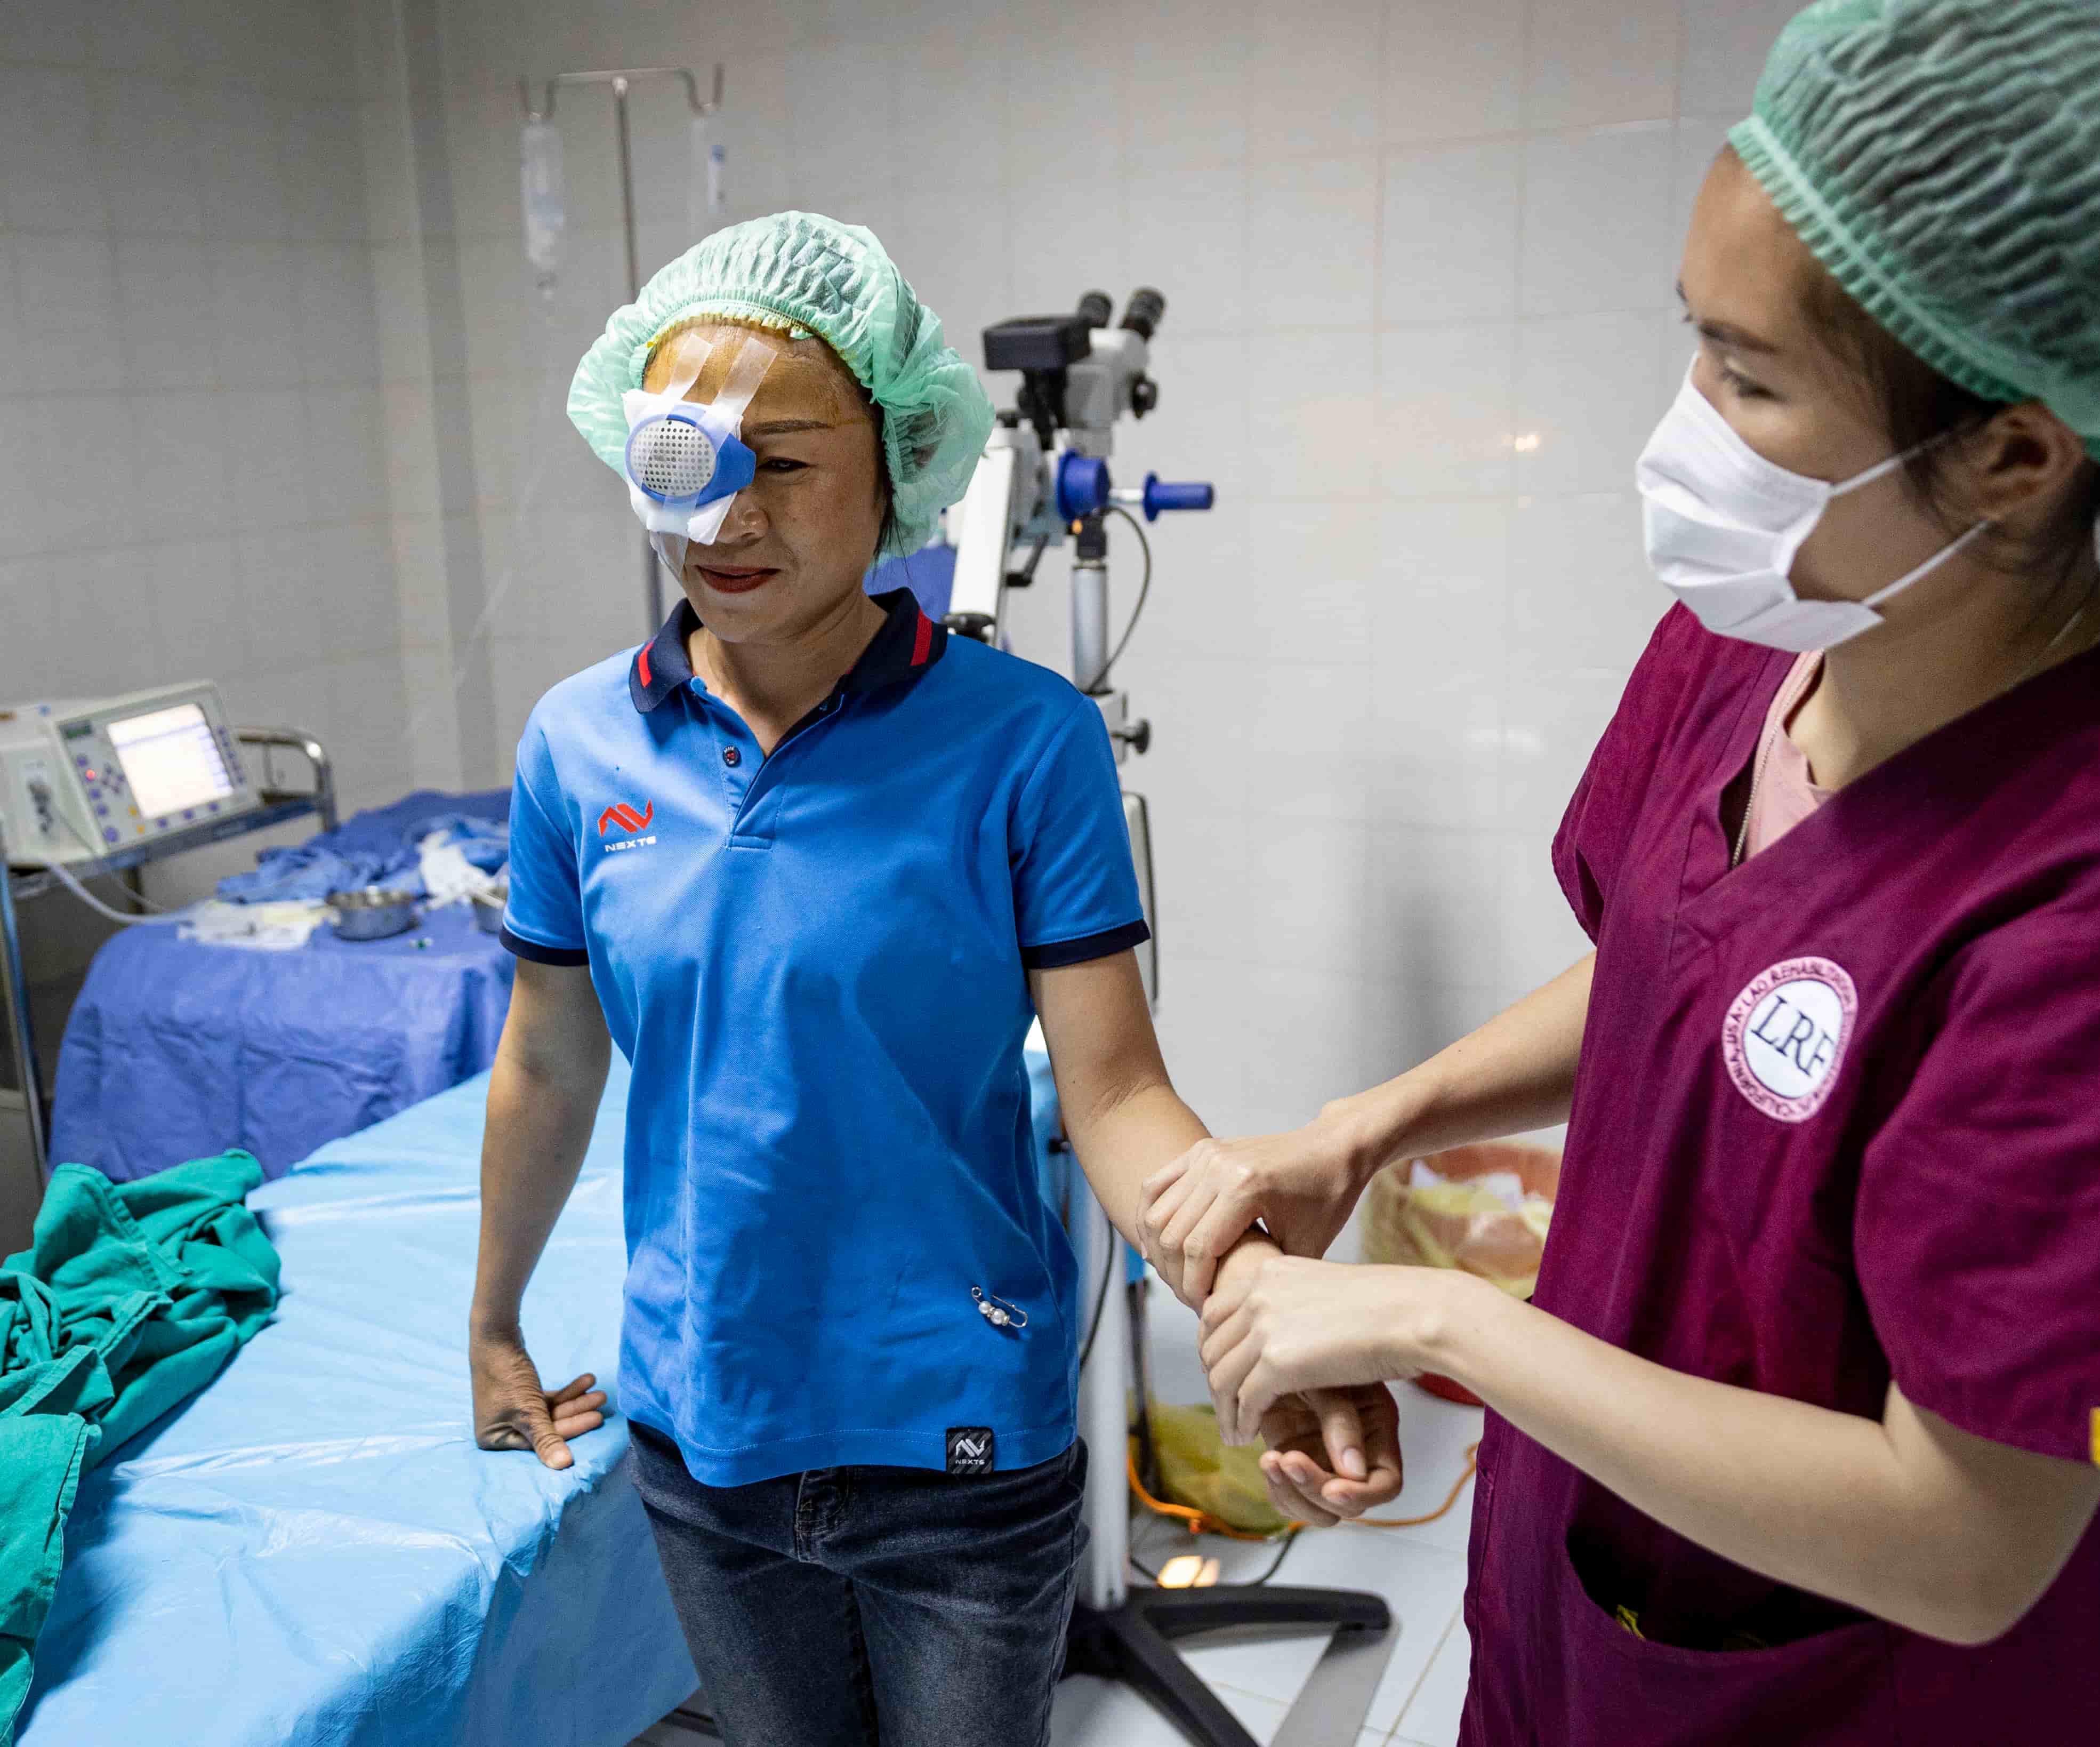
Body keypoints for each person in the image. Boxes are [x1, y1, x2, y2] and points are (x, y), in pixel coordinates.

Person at [1137, 1, 2100, 1740]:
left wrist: (1436, 1317)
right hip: (1586, 1599)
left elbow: (1965, 1545)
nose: (1683, 426)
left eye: (1748, 374)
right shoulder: (1755, 645)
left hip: (1854, 1687)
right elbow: (1686, 965)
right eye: (1691, 344)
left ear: (2016, 450)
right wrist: (1367, 1124)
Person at [463, 213, 1399, 1747]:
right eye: (690, 456)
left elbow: (1112, 1092)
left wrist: (1247, 1306)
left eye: (784, 458)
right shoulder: (580, 743)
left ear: (896, 465)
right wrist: (493, 1318)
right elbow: (547, 1058)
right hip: (705, 1433)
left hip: (960, 1444)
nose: (727, 515)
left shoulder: (1025, 741)